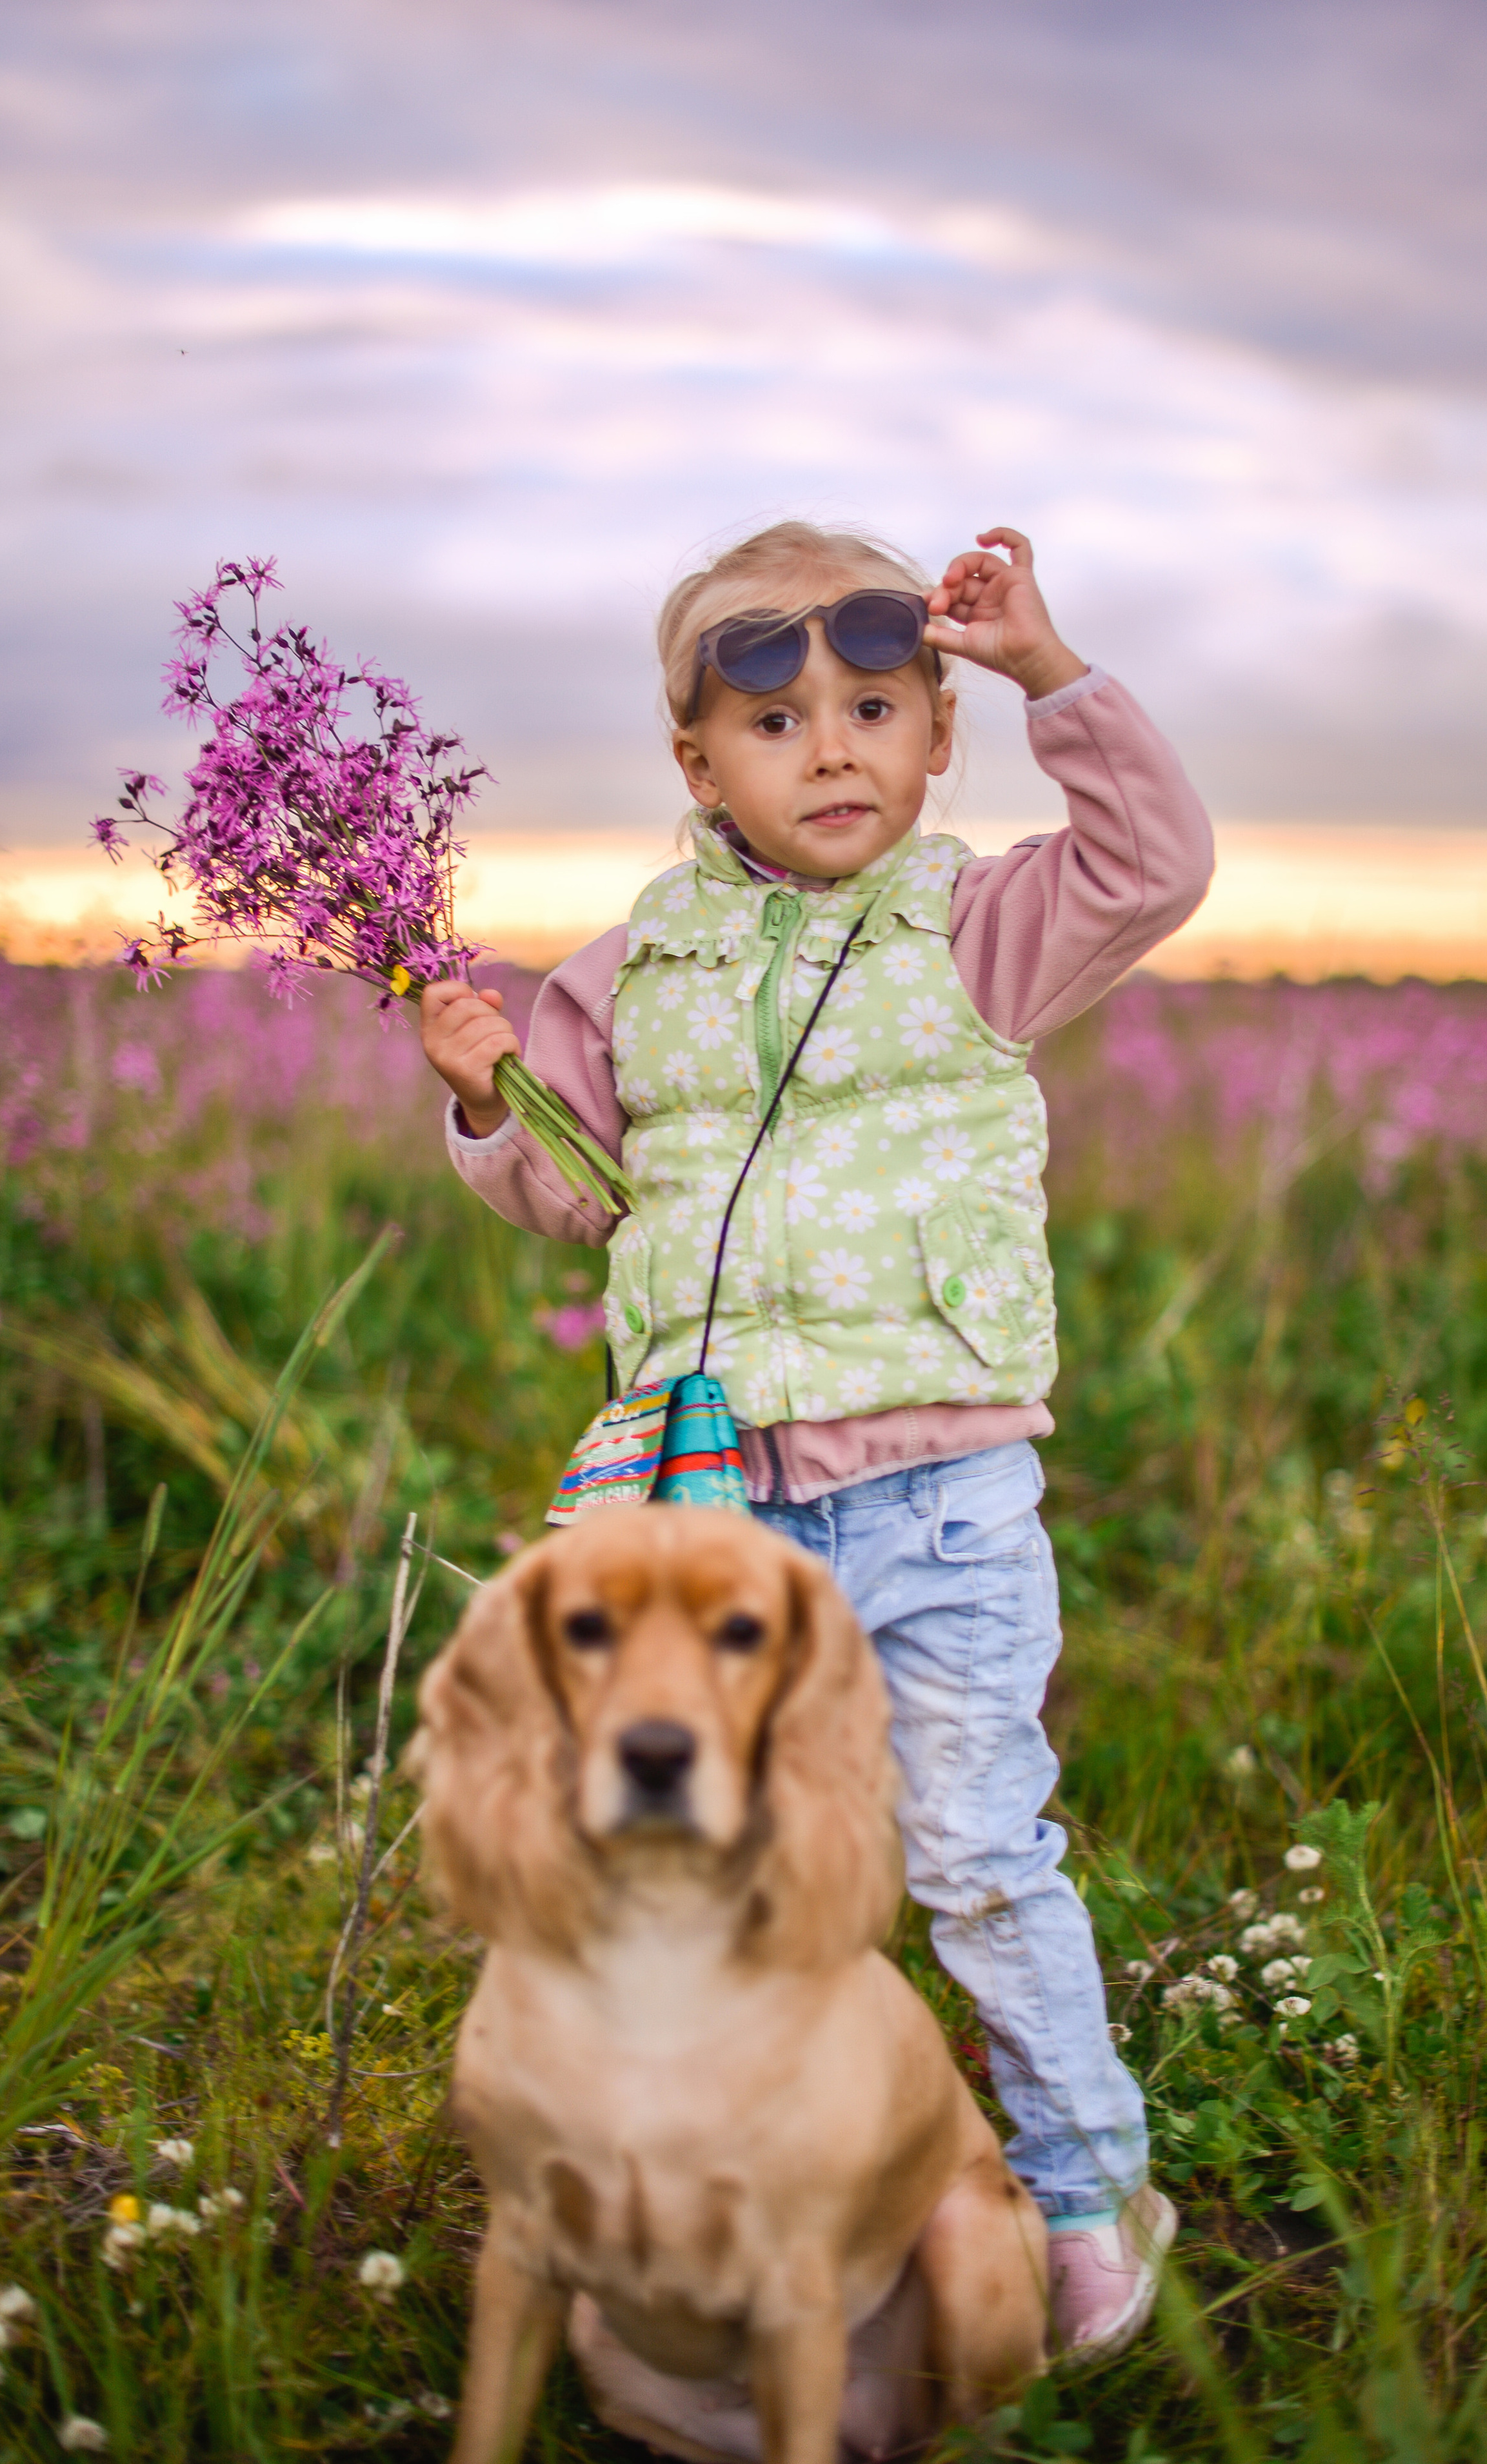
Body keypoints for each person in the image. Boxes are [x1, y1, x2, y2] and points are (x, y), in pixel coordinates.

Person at [419, 520, 1214, 2360]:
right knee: (743, 1858)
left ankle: (1090, 2185)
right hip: (716, 1519)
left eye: (877, 706)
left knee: (977, 1854)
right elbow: (567, 1187)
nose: (835, 748)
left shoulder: (982, 931)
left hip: (939, 1504)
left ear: (939, 731)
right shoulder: (633, 972)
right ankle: (772, 2165)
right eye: (779, 723)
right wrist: (481, 1093)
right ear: (701, 768)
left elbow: (1159, 861)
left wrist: (1049, 668)